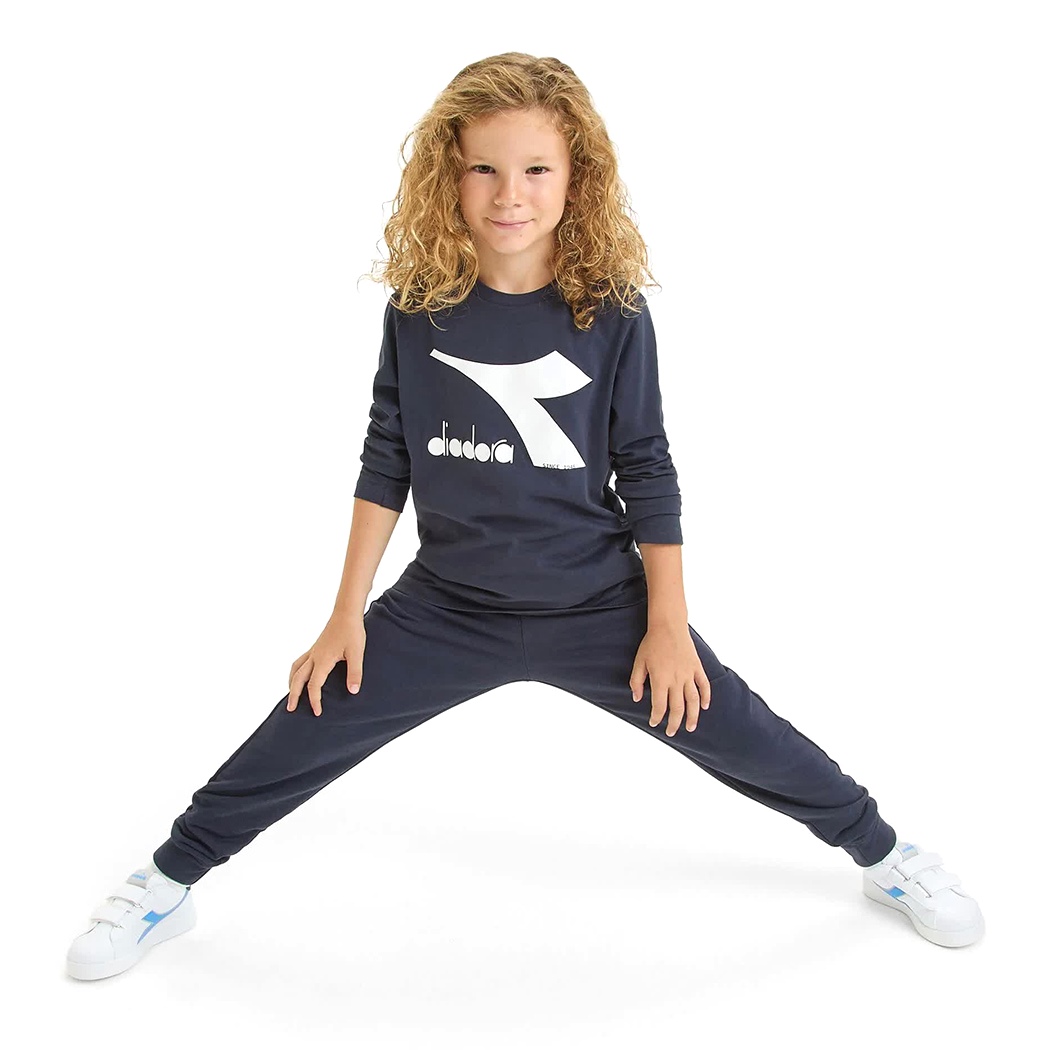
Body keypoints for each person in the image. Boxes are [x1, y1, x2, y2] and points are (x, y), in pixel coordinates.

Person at [65, 51, 985, 981]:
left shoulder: (613, 313)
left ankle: (886, 857)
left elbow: (648, 467)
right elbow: (388, 456)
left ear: (576, 177)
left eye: (537, 168)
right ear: (449, 176)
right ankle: (167, 882)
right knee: (301, 724)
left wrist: (667, 623)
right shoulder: (420, 308)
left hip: (597, 606)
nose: (511, 194)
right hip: (445, 607)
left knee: (747, 733)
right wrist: (345, 613)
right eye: (485, 168)